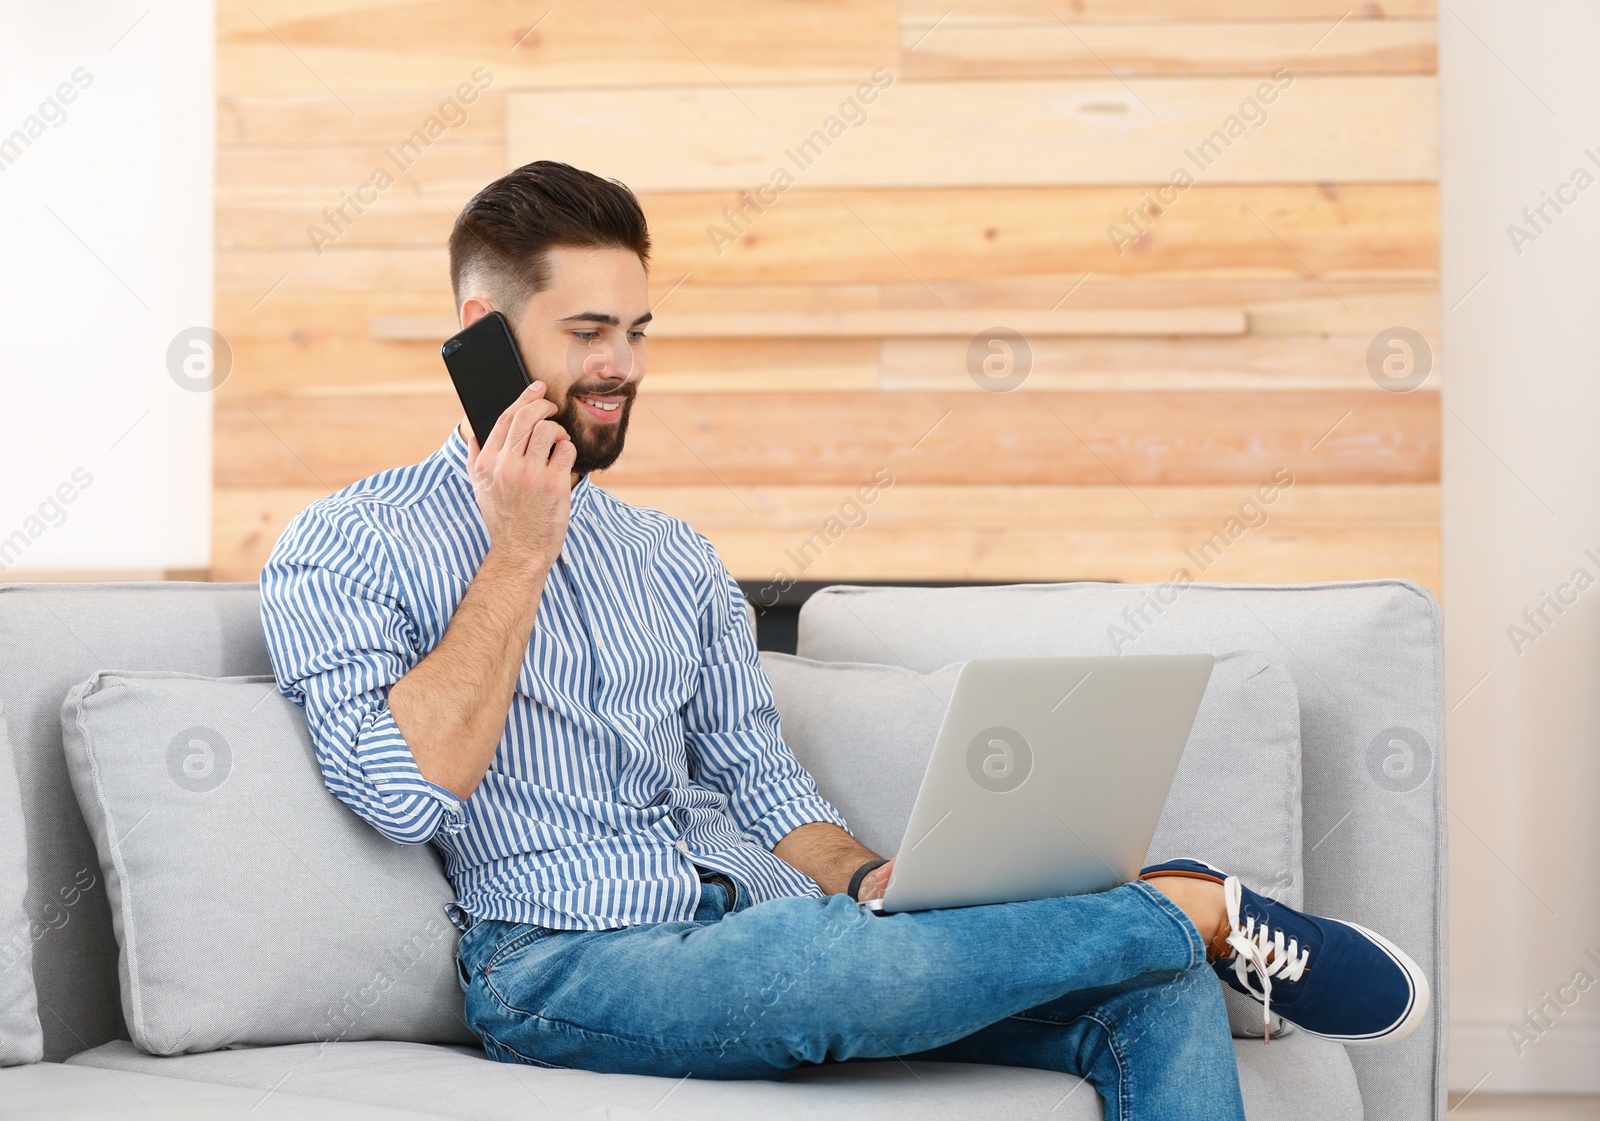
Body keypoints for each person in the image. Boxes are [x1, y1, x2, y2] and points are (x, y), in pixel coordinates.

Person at [260, 161, 1429, 1120]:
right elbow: (406, 789)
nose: (622, 363)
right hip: (565, 960)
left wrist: (880, 880)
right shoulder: (348, 543)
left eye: (638, 328)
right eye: (587, 330)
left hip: (768, 924)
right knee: (896, 961)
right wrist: (517, 547)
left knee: (1144, 985)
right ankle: (1189, 901)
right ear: (485, 333)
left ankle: (1169, 929)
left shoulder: (671, 555)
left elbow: (765, 789)